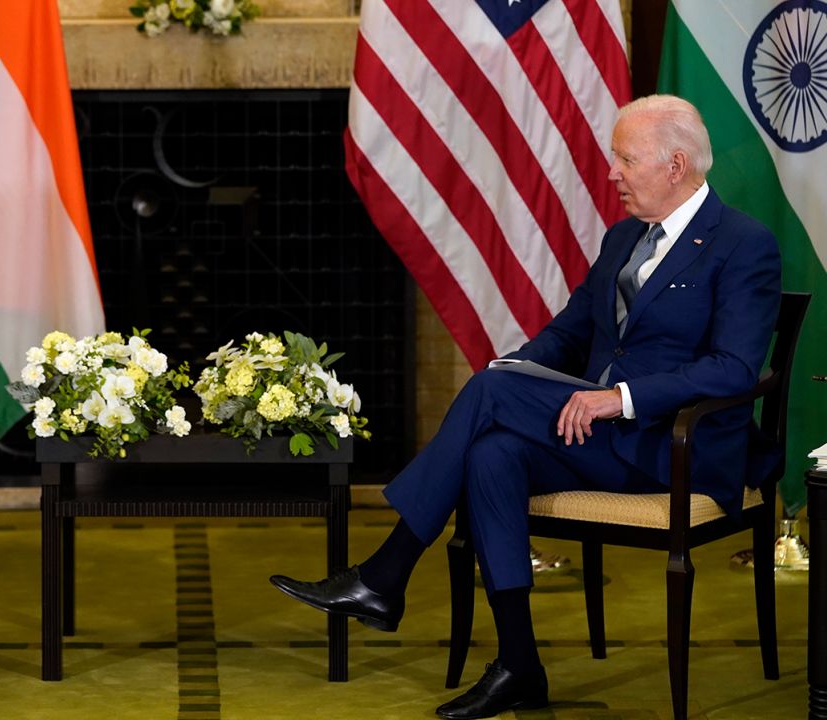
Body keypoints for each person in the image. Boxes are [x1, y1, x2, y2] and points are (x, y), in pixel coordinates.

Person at [270, 94, 782, 719]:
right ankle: (518, 664)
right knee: (492, 453)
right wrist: (514, 367)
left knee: (490, 397)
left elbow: (733, 368)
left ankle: (384, 576)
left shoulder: (743, 244)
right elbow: (570, 333)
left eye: (625, 159)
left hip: (679, 448)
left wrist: (617, 398)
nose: (612, 173)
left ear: (676, 165)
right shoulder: (625, 237)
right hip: (599, 439)